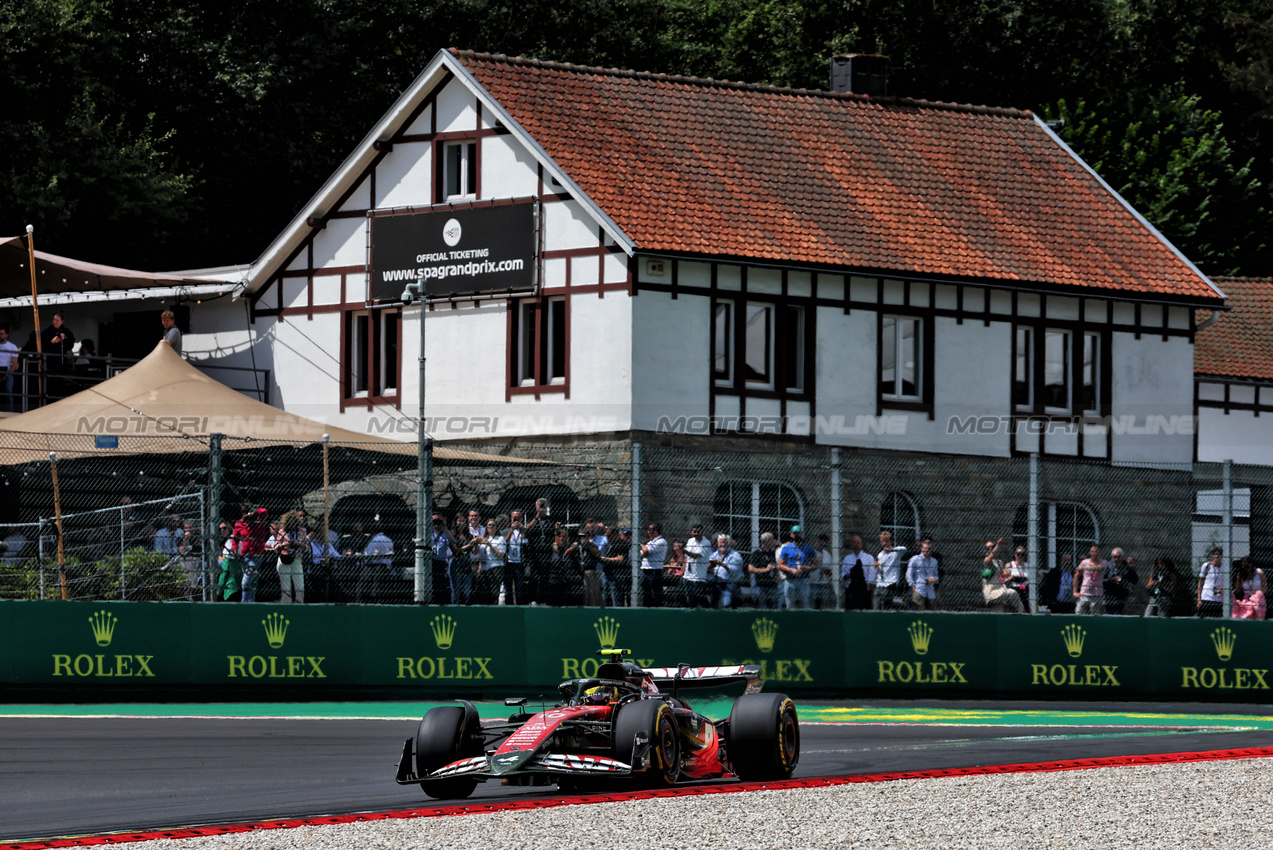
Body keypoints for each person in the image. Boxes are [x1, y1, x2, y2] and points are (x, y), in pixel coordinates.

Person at [270, 510, 307, 604]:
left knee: (300, 587)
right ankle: (286, 605)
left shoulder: (302, 531)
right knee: (286, 587)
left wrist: (299, 544)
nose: (292, 524)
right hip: (284, 559)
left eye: (294, 522)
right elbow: (276, 547)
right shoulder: (282, 532)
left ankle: (299, 604)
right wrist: (283, 545)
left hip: (297, 559)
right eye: (289, 522)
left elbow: (307, 548)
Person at [777, 525, 818, 609]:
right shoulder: (787, 548)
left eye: (799, 533)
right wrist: (791, 570)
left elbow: (816, 564)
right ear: (791, 535)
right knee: (790, 604)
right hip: (790, 579)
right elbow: (780, 565)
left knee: (805, 604)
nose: (798, 535)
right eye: (796, 533)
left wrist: (808, 568)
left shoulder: (808, 548)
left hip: (804, 580)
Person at [235, 507, 270, 603]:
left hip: (256, 557)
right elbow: (235, 538)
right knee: (250, 581)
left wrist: (252, 514)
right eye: (243, 512)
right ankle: (251, 602)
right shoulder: (239, 524)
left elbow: (264, 511)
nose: (245, 513)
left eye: (247, 511)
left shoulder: (259, 520)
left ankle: (244, 603)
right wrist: (235, 550)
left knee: (246, 582)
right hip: (244, 557)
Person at [980, 538, 1023, 613]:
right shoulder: (987, 560)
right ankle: (1022, 614)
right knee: (1013, 593)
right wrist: (998, 544)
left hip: (1000, 590)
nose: (990, 549)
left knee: (998, 613)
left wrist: (1008, 571)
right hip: (992, 592)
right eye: (988, 548)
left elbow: (1003, 576)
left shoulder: (999, 562)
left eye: (992, 547)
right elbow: (992, 555)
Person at [360, 525, 395, 603]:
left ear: (373, 531)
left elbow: (369, 555)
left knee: (367, 586)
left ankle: (365, 600)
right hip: (386, 567)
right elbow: (391, 554)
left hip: (374, 567)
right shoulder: (389, 540)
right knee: (381, 587)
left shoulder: (374, 541)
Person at [600, 527, 633, 608]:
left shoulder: (621, 544)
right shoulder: (609, 545)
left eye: (609, 536)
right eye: (606, 536)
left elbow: (620, 559)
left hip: (616, 576)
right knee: (606, 600)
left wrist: (605, 559)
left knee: (616, 601)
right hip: (607, 574)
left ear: (615, 534)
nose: (607, 538)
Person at [709, 534, 745, 608]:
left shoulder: (735, 555)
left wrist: (722, 564)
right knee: (714, 606)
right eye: (720, 542)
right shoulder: (715, 554)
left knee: (726, 605)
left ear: (729, 543)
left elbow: (734, 571)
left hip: (729, 583)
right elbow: (707, 567)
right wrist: (711, 566)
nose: (722, 544)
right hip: (716, 583)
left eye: (724, 542)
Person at [875, 531, 907, 611]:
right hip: (880, 583)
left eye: (886, 541)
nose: (884, 543)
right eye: (882, 541)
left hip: (890, 583)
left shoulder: (895, 553)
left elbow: (904, 549)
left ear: (890, 541)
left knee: (886, 605)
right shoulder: (880, 554)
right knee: (876, 605)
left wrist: (892, 549)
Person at [683, 523, 713, 608]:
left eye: (698, 531)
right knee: (690, 600)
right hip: (688, 575)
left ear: (702, 532)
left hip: (699, 577)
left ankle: (708, 612)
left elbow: (696, 556)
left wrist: (683, 550)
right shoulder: (690, 541)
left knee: (700, 599)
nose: (696, 533)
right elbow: (686, 558)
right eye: (694, 531)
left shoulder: (706, 543)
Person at [841, 533, 875, 611]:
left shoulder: (869, 558)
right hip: (851, 589)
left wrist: (869, 587)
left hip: (863, 589)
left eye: (858, 542)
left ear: (861, 544)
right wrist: (849, 575)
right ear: (852, 544)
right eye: (854, 542)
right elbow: (842, 573)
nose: (856, 544)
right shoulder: (847, 558)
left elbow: (872, 574)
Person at [748, 532, 780, 609]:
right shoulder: (757, 553)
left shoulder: (773, 553)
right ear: (767, 541)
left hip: (772, 585)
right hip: (760, 585)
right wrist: (765, 570)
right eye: (772, 540)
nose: (774, 542)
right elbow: (750, 568)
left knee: (773, 607)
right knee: (761, 607)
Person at [906, 537, 939, 610]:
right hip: (919, 589)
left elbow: (936, 575)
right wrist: (912, 585)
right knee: (919, 610)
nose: (927, 550)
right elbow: (909, 573)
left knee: (930, 611)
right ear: (921, 548)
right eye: (925, 548)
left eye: (929, 549)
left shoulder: (934, 561)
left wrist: (934, 580)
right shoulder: (915, 559)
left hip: (930, 590)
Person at [1074, 544, 1108, 616]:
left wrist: (1084, 568)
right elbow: (1076, 576)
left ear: (1099, 552)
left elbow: (1099, 568)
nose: (1094, 553)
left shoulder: (1103, 562)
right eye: (1092, 551)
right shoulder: (1084, 562)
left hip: (1097, 595)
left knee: (1095, 616)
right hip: (1084, 594)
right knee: (1079, 614)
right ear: (1090, 553)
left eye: (1096, 551)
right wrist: (1075, 591)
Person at [503, 510, 528, 605]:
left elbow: (525, 544)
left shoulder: (523, 531)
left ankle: (520, 606)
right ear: (511, 518)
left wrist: (522, 530)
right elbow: (504, 542)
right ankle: (508, 607)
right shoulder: (506, 531)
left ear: (521, 519)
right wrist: (511, 529)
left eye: (518, 517)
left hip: (519, 563)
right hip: (508, 563)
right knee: (508, 588)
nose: (516, 520)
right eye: (514, 518)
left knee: (520, 589)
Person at [640, 523, 667, 607]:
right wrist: (644, 548)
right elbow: (641, 554)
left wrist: (641, 544)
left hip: (654, 571)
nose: (648, 532)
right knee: (645, 595)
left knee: (655, 595)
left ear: (655, 531)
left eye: (650, 530)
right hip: (645, 570)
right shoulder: (650, 542)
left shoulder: (661, 541)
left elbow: (646, 551)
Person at [449, 515, 474, 605]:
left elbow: (473, 551)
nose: (461, 523)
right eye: (459, 521)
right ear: (455, 522)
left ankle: (465, 608)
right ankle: (455, 607)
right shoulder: (452, 535)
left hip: (466, 562)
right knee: (456, 590)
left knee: (467, 590)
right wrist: (469, 545)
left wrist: (476, 544)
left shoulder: (469, 535)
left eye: (463, 521)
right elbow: (456, 550)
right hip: (456, 562)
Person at [1105, 547, 1138, 615]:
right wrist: (1109, 580)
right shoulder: (1107, 566)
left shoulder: (1126, 566)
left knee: (1118, 614)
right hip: (1109, 594)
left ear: (1122, 557)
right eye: (1115, 557)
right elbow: (1100, 580)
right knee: (1108, 614)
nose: (1116, 559)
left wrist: (1130, 567)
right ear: (1112, 557)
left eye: (1119, 557)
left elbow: (1135, 581)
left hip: (1122, 594)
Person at [1196, 547, 1225, 618]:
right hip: (1206, 597)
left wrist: (1223, 591)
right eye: (1215, 554)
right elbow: (1200, 582)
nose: (1217, 556)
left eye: (1219, 554)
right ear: (1212, 555)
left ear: (1222, 556)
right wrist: (1199, 599)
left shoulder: (1224, 567)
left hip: (1218, 599)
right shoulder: (1207, 566)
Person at [812, 533, 834, 609]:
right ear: (817, 541)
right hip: (813, 582)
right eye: (820, 542)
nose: (821, 544)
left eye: (824, 542)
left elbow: (830, 570)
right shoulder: (812, 553)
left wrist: (829, 571)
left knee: (823, 606)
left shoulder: (827, 554)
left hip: (824, 583)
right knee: (813, 605)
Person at [0, 326, 19, 411]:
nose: (0, 335)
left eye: (2, 334)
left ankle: (10, 413)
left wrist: (6, 374)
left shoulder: (12, 346)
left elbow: (15, 364)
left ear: (7, 335)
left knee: (9, 393)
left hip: (7, 372)